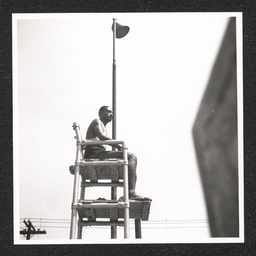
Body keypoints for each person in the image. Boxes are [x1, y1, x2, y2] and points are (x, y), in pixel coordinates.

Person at [84, 106, 150, 201]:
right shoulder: (96, 121)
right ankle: (131, 192)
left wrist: (116, 145)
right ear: (101, 113)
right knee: (131, 156)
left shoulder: (104, 127)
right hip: (95, 154)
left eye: (112, 112)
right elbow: (101, 136)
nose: (112, 114)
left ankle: (129, 192)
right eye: (109, 111)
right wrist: (117, 145)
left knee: (131, 164)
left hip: (100, 153)